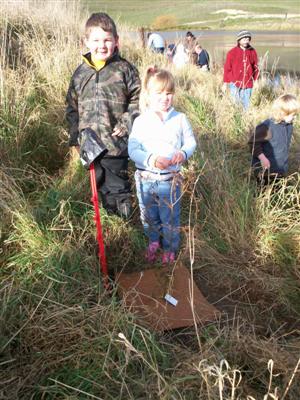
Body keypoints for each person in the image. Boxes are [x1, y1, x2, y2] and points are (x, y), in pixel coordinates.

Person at [66, 12, 141, 218]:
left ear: (116, 41)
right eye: (96, 40)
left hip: (116, 144)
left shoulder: (125, 70)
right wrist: (76, 137)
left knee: (118, 190)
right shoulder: (80, 73)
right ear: (86, 42)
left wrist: (127, 123)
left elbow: (139, 101)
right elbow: (71, 106)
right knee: (97, 190)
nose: (102, 45)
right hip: (89, 146)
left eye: (108, 40)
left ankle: (123, 229)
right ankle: (104, 227)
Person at [128, 67, 197, 264]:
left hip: (170, 180)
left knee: (171, 218)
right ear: (148, 95)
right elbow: (133, 149)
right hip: (146, 179)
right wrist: (150, 159)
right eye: (159, 93)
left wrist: (183, 153)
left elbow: (190, 142)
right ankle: (153, 241)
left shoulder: (180, 118)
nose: (165, 98)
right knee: (148, 215)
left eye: (169, 93)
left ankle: (169, 248)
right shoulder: (141, 121)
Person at [248, 94, 300, 185]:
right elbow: (253, 143)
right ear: (283, 113)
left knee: (277, 190)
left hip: (280, 168)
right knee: (264, 192)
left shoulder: (288, 125)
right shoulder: (267, 127)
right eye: (293, 115)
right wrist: (262, 158)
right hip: (264, 170)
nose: (295, 117)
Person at [222, 30, 259, 109]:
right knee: (236, 105)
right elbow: (227, 68)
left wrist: (256, 81)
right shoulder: (232, 53)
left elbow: (255, 67)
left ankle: (245, 119)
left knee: (246, 105)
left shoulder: (252, 51)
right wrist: (225, 84)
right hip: (235, 83)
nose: (246, 40)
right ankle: (237, 119)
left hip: (248, 83)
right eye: (244, 38)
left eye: (248, 38)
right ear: (239, 40)